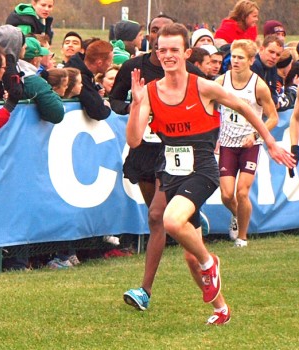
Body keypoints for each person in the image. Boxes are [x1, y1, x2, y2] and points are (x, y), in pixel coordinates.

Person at [127, 22, 294, 325]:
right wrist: (137, 105)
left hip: (202, 169)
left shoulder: (203, 86)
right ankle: (221, 308)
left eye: (174, 50)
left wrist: (268, 141)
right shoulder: (150, 91)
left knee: (170, 221)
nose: (167, 55)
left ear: (186, 52)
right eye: (161, 50)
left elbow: (245, 109)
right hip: (172, 170)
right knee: (189, 252)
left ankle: (210, 262)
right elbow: (134, 140)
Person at [109, 14, 206, 314]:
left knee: (156, 215)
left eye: (166, 34)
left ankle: (145, 290)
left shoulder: (189, 71)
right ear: (150, 37)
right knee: (158, 221)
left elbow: (205, 103)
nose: (160, 39)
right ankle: (192, 221)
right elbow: (114, 100)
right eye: (154, 32)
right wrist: (137, 108)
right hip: (143, 151)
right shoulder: (133, 67)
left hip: (173, 150)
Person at [216, 39, 279, 247]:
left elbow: (273, 117)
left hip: (250, 145)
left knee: (242, 191)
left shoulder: (258, 86)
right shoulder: (221, 82)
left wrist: (255, 135)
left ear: (251, 60)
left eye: (240, 58)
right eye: (233, 56)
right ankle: (238, 216)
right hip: (226, 143)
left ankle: (242, 238)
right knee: (226, 195)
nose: (235, 61)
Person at [0, 24, 64, 124]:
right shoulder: (26, 78)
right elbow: (57, 114)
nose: (25, 46)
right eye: (22, 43)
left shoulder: (5, 69)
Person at [65, 39, 113, 120]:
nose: (111, 64)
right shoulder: (80, 78)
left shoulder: (83, 71)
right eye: (110, 61)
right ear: (99, 63)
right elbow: (98, 112)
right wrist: (106, 107)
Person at [251, 34, 284, 107]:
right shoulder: (254, 64)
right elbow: (259, 97)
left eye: (278, 55)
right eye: (271, 52)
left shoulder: (273, 66)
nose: (274, 57)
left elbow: (274, 92)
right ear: (261, 49)